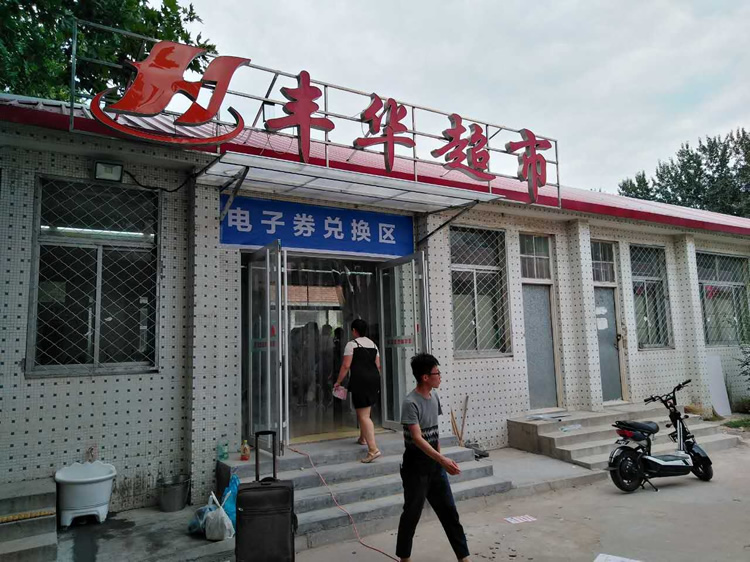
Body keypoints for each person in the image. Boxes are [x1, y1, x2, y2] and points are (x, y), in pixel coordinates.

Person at [396, 353, 470, 562]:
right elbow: (417, 438)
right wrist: (442, 460)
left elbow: (434, 433)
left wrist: (441, 460)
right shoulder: (410, 402)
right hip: (415, 467)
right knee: (412, 513)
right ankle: (404, 558)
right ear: (425, 377)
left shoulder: (434, 397)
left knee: (449, 512)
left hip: (435, 466)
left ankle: (464, 557)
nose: (440, 376)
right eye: (437, 373)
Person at [333, 319, 381, 463]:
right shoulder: (373, 344)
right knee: (365, 410)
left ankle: (373, 449)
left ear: (354, 330)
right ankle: (362, 438)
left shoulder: (352, 344)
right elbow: (378, 366)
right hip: (374, 379)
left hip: (360, 381)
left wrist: (338, 381)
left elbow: (346, 365)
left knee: (364, 415)